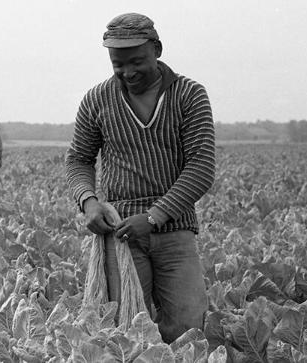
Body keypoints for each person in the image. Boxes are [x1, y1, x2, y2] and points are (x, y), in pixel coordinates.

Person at [65, 13, 215, 343]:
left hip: (174, 230)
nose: (128, 72)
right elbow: (79, 160)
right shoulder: (97, 100)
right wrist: (89, 203)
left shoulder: (189, 95)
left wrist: (153, 217)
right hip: (121, 233)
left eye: (136, 61)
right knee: (126, 328)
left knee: (188, 326)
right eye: (118, 64)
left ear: (157, 50)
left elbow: (201, 167)